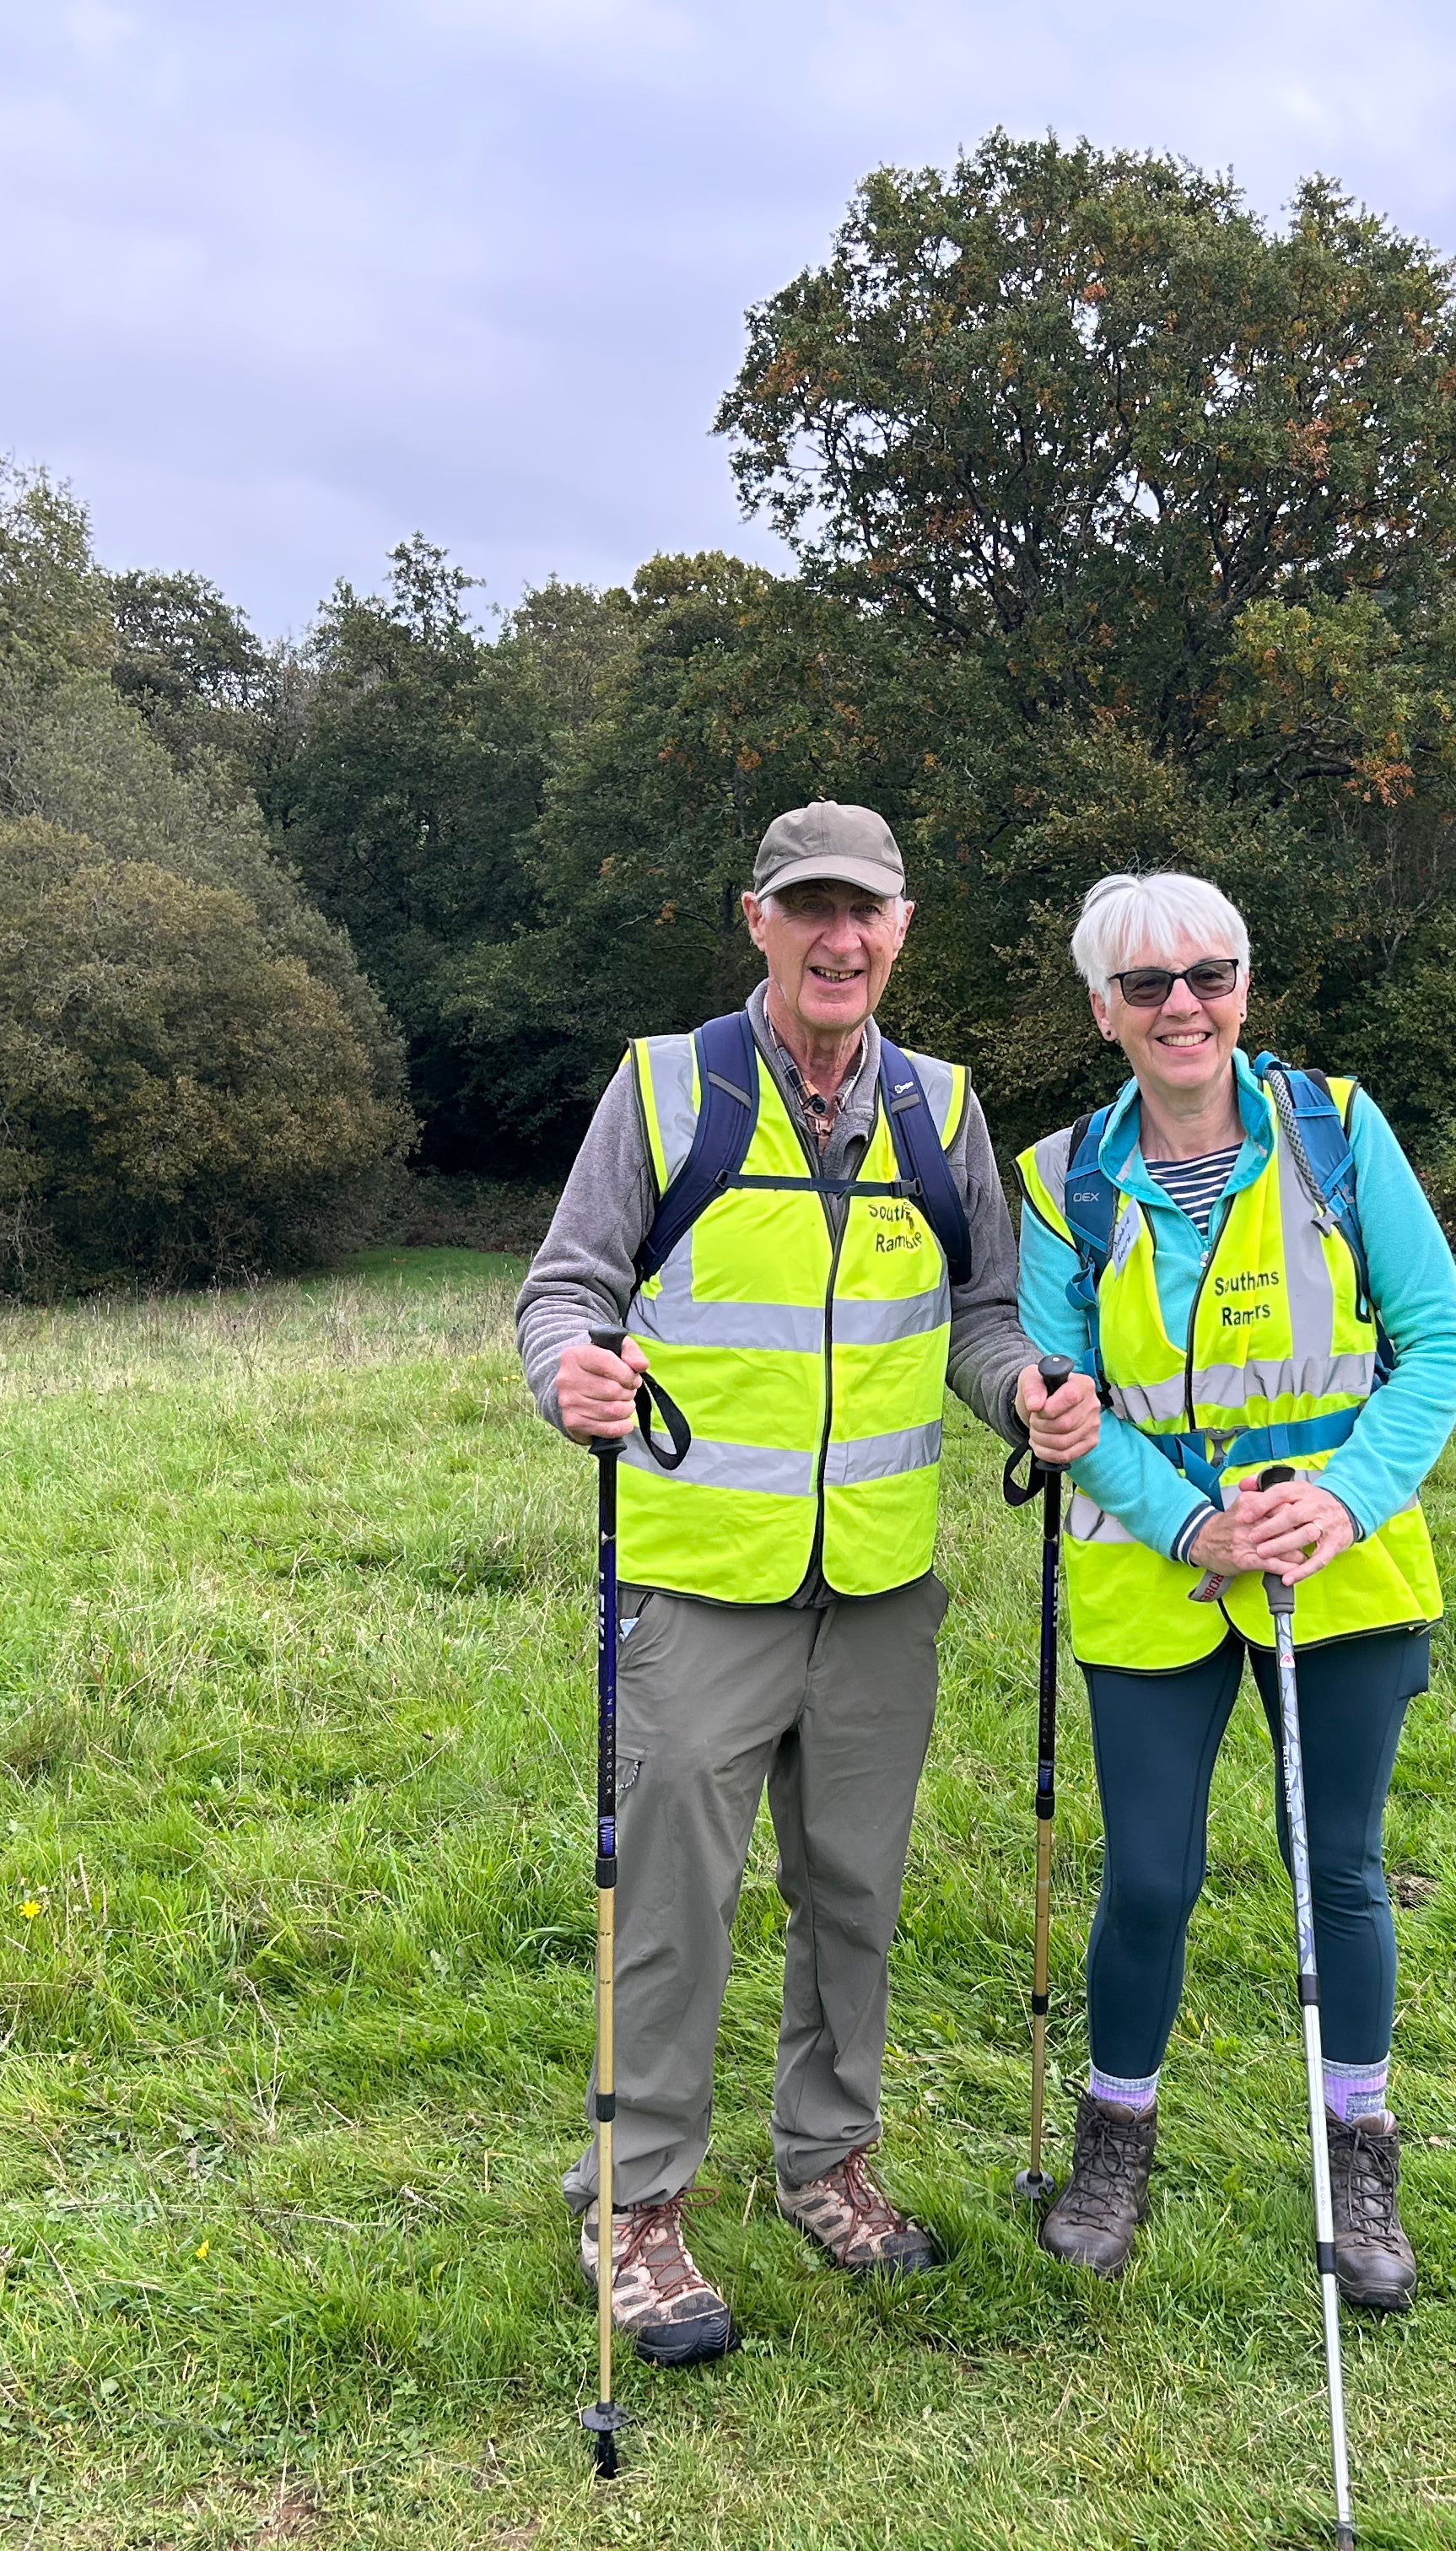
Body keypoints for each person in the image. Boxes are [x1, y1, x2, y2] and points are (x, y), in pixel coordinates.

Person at [519, 801, 1098, 2367]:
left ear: (902, 928)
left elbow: (982, 1311)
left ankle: (827, 2163)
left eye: (868, 912)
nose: (840, 939)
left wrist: (1027, 1390)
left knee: (853, 1889)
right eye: (810, 909)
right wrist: (567, 1368)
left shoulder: (941, 1109)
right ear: (758, 920)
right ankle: (634, 2204)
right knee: (676, 1906)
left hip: (880, 1586)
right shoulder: (664, 1091)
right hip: (702, 1579)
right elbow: (570, 1286)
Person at [1013, 870, 1456, 2309]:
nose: (1182, 1006)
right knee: (1151, 1874)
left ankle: (1359, 2151)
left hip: (1342, 1575)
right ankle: (1115, 2138)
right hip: (1160, 1581)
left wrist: (1338, 1500)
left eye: (1207, 975)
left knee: (1335, 1865)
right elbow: (1065, 1404)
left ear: (1244, 989)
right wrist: (1192, 1528)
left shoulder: (1337, 1132)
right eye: (1146, 985)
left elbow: (1439, 1344)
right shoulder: (1058, 1183)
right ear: (1103, 1009)